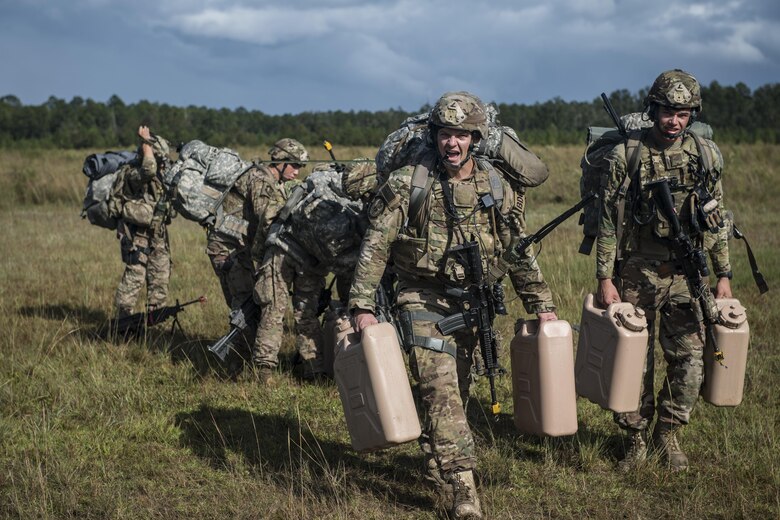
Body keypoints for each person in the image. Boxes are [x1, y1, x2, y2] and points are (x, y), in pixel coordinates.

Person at [349, 92, 557, 519]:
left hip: (472, 300)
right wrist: (361, 305)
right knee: (440, 387)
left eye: (461, 135)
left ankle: (436, 464)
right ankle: (464, 487)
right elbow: (376, 245)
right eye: (445, 134)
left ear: (475, 139)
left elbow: (516, 250)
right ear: (435, 136)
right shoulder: (409, 183)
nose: (452, 143)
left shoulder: (495, 186)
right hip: (420, 295)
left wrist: (542, 304)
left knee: (456, 389)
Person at [594, 70, 732, 471]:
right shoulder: (627, 156)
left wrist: (723, 274)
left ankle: (667, 434)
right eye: (668, 112)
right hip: (637, 271)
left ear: (692, 115)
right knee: (634, 360)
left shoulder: (705, 155)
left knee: (690, 360)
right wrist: (605, 278)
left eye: (683, 114)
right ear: (653, 110)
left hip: (687, 274)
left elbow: (716, 218)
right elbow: (608, 221)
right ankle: (635, 439)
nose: (674, 121)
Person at [205, 138, 308, 363]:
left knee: (248, 304)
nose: (297, 172)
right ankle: (237, 362)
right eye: (294, 165)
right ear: (280, 161)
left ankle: (242, 357)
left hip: (235, 248)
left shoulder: (264, 176)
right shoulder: (261, 180)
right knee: (245, 306)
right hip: (227, 250)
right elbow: (266, 216)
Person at [114, 126, 174, 319]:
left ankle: (154, 321)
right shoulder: (133, 173)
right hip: (136, 236)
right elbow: (148, 169)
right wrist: (146, 141)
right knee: (134, 277)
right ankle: (122, 322)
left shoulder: (162, 176)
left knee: (160, 277)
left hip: (158, 234)